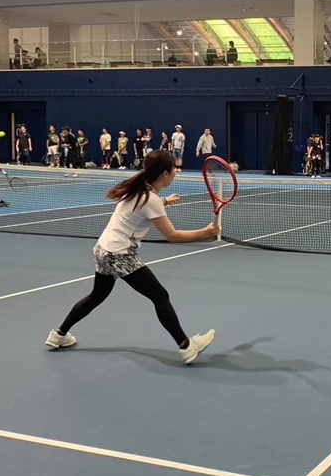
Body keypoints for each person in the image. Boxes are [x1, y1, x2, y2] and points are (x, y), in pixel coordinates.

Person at [45, 150, 218, 364]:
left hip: (102, 250)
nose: (176, 171)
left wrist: (165, 201)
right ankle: (187, 346)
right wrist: (205, 232)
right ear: (165, 173)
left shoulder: (139, 188)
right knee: (160, 296)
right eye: (174, 169)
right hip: (120, 255)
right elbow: (172, 236)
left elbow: (143, 207)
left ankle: (59, 335)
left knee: (97, 296)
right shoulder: (150, 198)